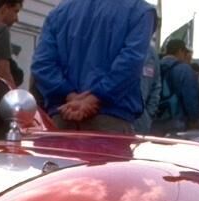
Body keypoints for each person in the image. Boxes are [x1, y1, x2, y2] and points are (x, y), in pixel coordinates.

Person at [31, 0, 156, 133]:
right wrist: (94, 98)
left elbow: (42, 64)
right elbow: (130, 64)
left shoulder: (59, 12)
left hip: (62, 117)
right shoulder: (140, 11)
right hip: (111, 123)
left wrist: (70, 95)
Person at [152, 38, 199, 133]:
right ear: (180, 51)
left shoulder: (154, 66)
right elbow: (190, 98)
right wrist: (194, 119)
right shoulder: (184, 69)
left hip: (153, 122)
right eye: (185, 53)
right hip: (176, 123)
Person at [135, 40, 161, 134]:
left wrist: (148, 114)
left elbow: (156, 85)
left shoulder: (151, 53)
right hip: (114, 119)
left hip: (141, 122)